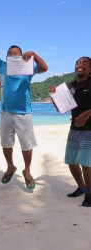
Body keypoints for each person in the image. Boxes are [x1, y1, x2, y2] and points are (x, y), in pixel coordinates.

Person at [0, 19, 48, 189]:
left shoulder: (28, 67)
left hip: (24, 113)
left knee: (27, 145)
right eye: (10, 52)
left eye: (17, 52)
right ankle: (10, 166)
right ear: (7, 56)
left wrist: (34, 54)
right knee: (6, 144)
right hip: (6, 113)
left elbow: (44, 68)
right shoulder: (2, 66)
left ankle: (27, 170)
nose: (13, 54)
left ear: (22, 55)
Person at [49, 56, 91, 207]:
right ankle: (82, 187)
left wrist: (88, 112)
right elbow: (61, 108)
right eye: (78, 63)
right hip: (74, 128)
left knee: (86, 163)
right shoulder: (69, 86)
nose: (80, 65)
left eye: (85, 63)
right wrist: (54, 96)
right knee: (71, 161)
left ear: (90, 69)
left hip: (89, 129)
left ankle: (89, 194)